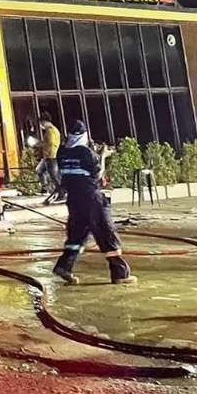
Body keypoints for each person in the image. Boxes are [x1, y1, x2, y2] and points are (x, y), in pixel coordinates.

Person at [51, 120, 136, 285]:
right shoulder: (86, 153)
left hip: (74, 199)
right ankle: (120, 273)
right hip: (91, 198)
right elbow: (97, 174)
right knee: (106, 232)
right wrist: (102, 155)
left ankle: (64, 266)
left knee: (77, 234)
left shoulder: (62, 152)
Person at [35, 113, 62, 195]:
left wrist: (40, 143)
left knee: (54, 175)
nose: (41, 125)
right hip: (48, 156)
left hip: (51, 156)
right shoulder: (51, 130)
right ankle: (46, 188)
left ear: (45, 121)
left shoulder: (51, 131)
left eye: (41, 123)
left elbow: (50, 143)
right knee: (40, 170)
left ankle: (60, 191)